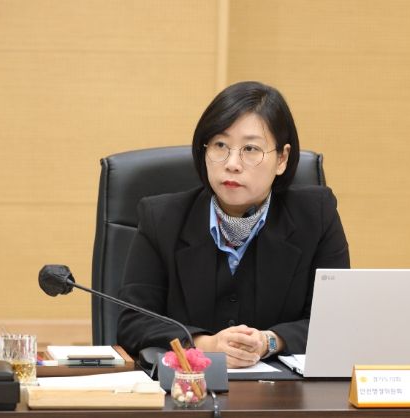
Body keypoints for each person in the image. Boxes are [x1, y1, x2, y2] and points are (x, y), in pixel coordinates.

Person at [117, 81, 350, 368]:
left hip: (283, 391)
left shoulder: (316, 215)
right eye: (220, 146)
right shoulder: (161, 218)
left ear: (282, 159)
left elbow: (335, 321)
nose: (232, 163)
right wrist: (205, 345)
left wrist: (269, 341)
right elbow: (133, 322)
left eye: (250, 149)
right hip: (188, 388)